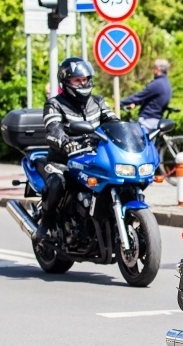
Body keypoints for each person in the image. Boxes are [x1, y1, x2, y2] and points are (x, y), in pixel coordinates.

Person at [36, 57, 119, 241]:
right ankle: (46, 224)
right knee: (57, 181)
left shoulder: (98, 102)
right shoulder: (54, 104)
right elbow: (53, 128)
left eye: (85, 79)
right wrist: (65, 142)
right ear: (66, 82)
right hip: (63, 159)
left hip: (93, 158)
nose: (83, 83)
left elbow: (113, 122)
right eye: (77, 80)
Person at [120, 59, 172, 132]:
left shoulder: (157, 84)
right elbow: (149, 98)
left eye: (154, 68)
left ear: (158, 69)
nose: (153, 70)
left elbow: (139, 96)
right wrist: (136, 103)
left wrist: (121, 102)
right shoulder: (166, 83)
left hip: (148, 119)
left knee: (132, 136)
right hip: (157, 117)